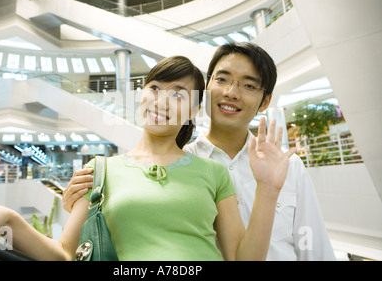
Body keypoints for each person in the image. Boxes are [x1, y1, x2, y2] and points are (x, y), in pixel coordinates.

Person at [0, 56, 295, 261]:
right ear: (141, 95)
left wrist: (268, 189)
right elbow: (64, 255)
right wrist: (9, 219)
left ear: (193, 112)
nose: (162, 101)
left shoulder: (213, 173)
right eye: (155, 88)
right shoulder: (100, 171)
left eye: (179, 94)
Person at [64, 43, 336, 261]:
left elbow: (317, 252)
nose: (231, 92)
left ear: (265, 101)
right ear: (205, 90)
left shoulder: (288, 167)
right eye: (222, 79)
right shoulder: (179, 167)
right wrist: (84, 205)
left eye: (248, 85)